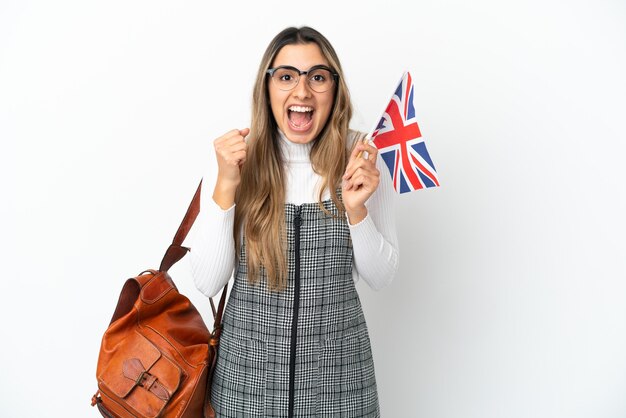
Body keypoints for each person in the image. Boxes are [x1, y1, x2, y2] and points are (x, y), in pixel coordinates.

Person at [188, 26, 399, 418]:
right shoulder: (233, 160)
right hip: (245, 391)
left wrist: (357, 211)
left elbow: (382, 276)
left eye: (317, 77)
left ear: (334, 89)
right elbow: (207, 281)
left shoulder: (363, 159)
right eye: (286, 76)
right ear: (267, 89)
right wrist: (226, 184)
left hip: (340, 391)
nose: (301, 91)